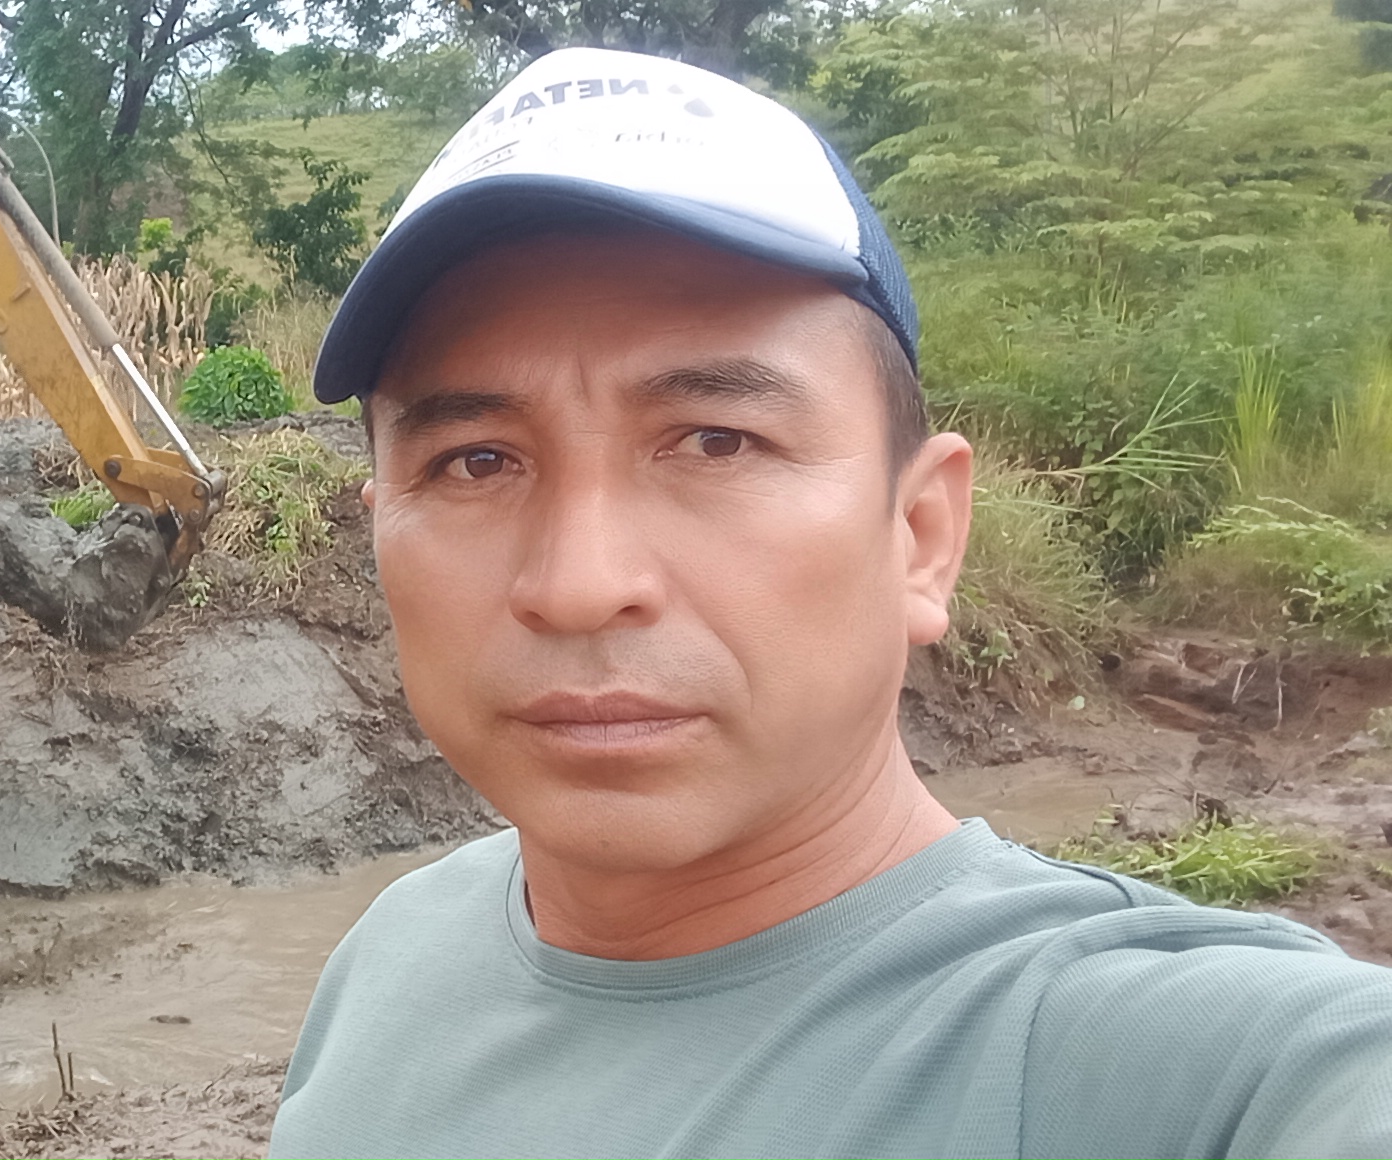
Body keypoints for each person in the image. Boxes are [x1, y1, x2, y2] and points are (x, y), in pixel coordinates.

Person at [268, 46, 1392, 1159]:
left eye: (717, 440)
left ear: (921, 535)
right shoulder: (393, 957)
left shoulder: (1197, 1070)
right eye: (475, 461)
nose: (579, 586)